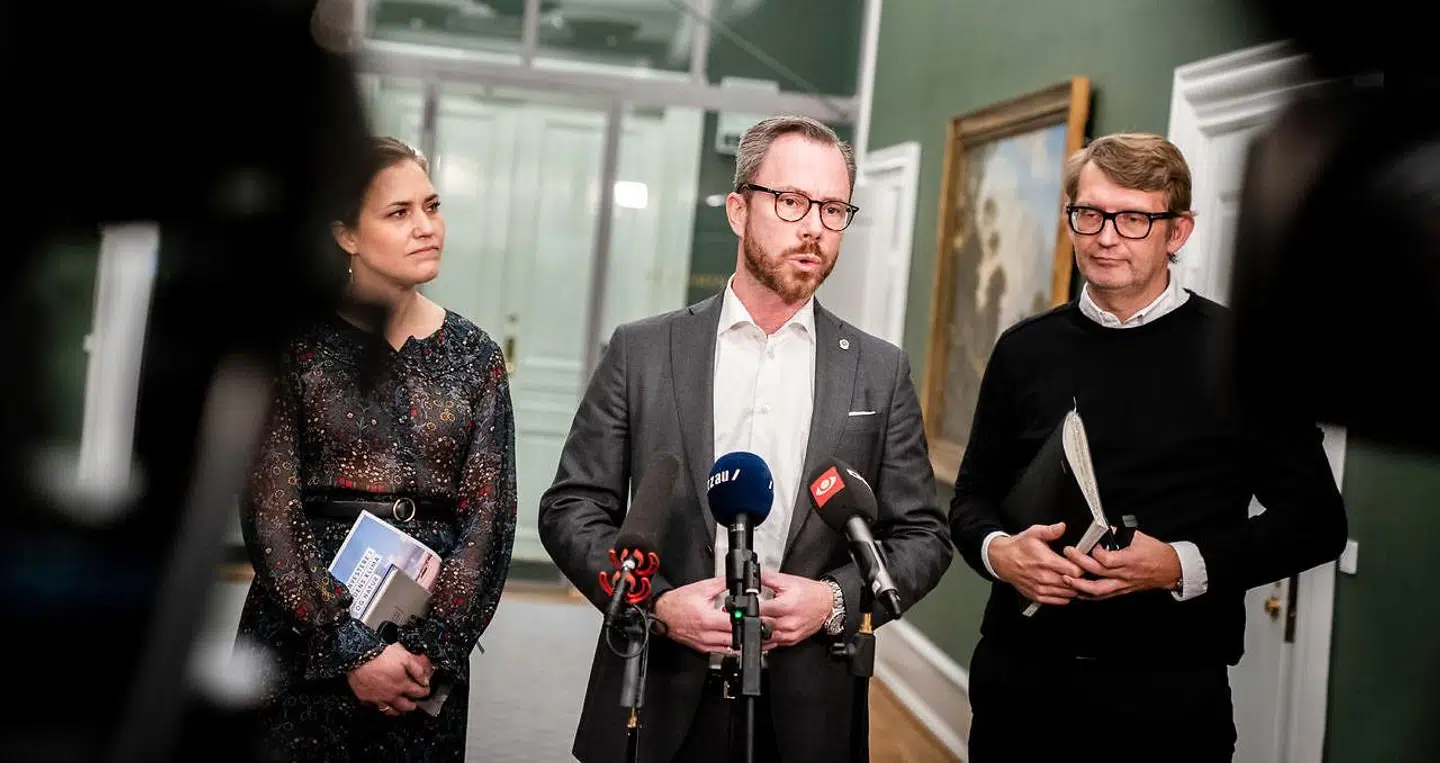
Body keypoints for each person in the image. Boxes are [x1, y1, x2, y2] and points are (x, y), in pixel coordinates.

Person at [538, 115, 953, 763]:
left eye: (834, 208)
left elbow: (923, 536)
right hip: (657, 695)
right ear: (738, 209)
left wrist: (834, 599)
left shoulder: (879, 369)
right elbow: (571, 510)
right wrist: (656, 603)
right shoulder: (643, 351)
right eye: (791, 201)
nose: (814, 225)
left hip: (809, 711)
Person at [948, 132, 1348, 762]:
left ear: (1178, 232)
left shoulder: (1247, 357)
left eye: (1134, 218)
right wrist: (1000, 553)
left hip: (1168, 699)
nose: (1107, 236)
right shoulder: (1023, 350)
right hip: (1018, 684)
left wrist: (1180, 564)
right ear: (1072, 220)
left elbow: (1318, 523)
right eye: (1091, 214)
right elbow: (971, 497)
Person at [234, 136, 518, 761]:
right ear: (346, 234)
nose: (427, 227)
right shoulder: (296, 346)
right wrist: (349, 647)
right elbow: (270, 509)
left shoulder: (475, 356)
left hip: (425, 649)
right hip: (302, 633)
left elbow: (489, 520)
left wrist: (434, 647)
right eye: (399, 213)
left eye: (432, 206)